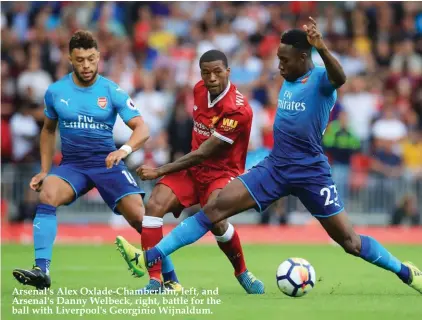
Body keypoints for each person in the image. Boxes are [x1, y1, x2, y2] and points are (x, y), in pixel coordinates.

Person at [115, 18, 422, 294]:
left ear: (304, 57)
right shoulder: (289, 80)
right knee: (213, 209)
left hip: (311, 173)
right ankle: (148, 258)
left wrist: (322, 47)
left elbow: (339, 77)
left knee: (350, 243)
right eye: (278, 59)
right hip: (276, 167)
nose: (279, 66)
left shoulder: (321, 82)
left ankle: (406, 272)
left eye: (284, 60)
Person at [11, 30, 181, 290]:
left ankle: (169, 279)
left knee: (140, 218)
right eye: (80, 60)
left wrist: (123, 151)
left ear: (99, 57)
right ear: (70, 59)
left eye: (91, 59)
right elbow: (47, 130)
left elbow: (142, 129)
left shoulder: (111, 90)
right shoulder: (56, 92)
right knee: (47, 194)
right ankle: (41, 271)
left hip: (107, 162)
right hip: (73, 165)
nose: (87, 65)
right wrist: (45, 170)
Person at [116, 49, 264, 294]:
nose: (212, 78)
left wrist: (160, 170)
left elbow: (205, 151)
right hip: (193, 169)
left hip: (222, 172)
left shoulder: (239, 110)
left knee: (216, 221)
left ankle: (242, 272)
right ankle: (156, 282)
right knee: (154, 206)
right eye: (206, 73)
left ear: (228, 72)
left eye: (218, 72)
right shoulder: (197, 90)